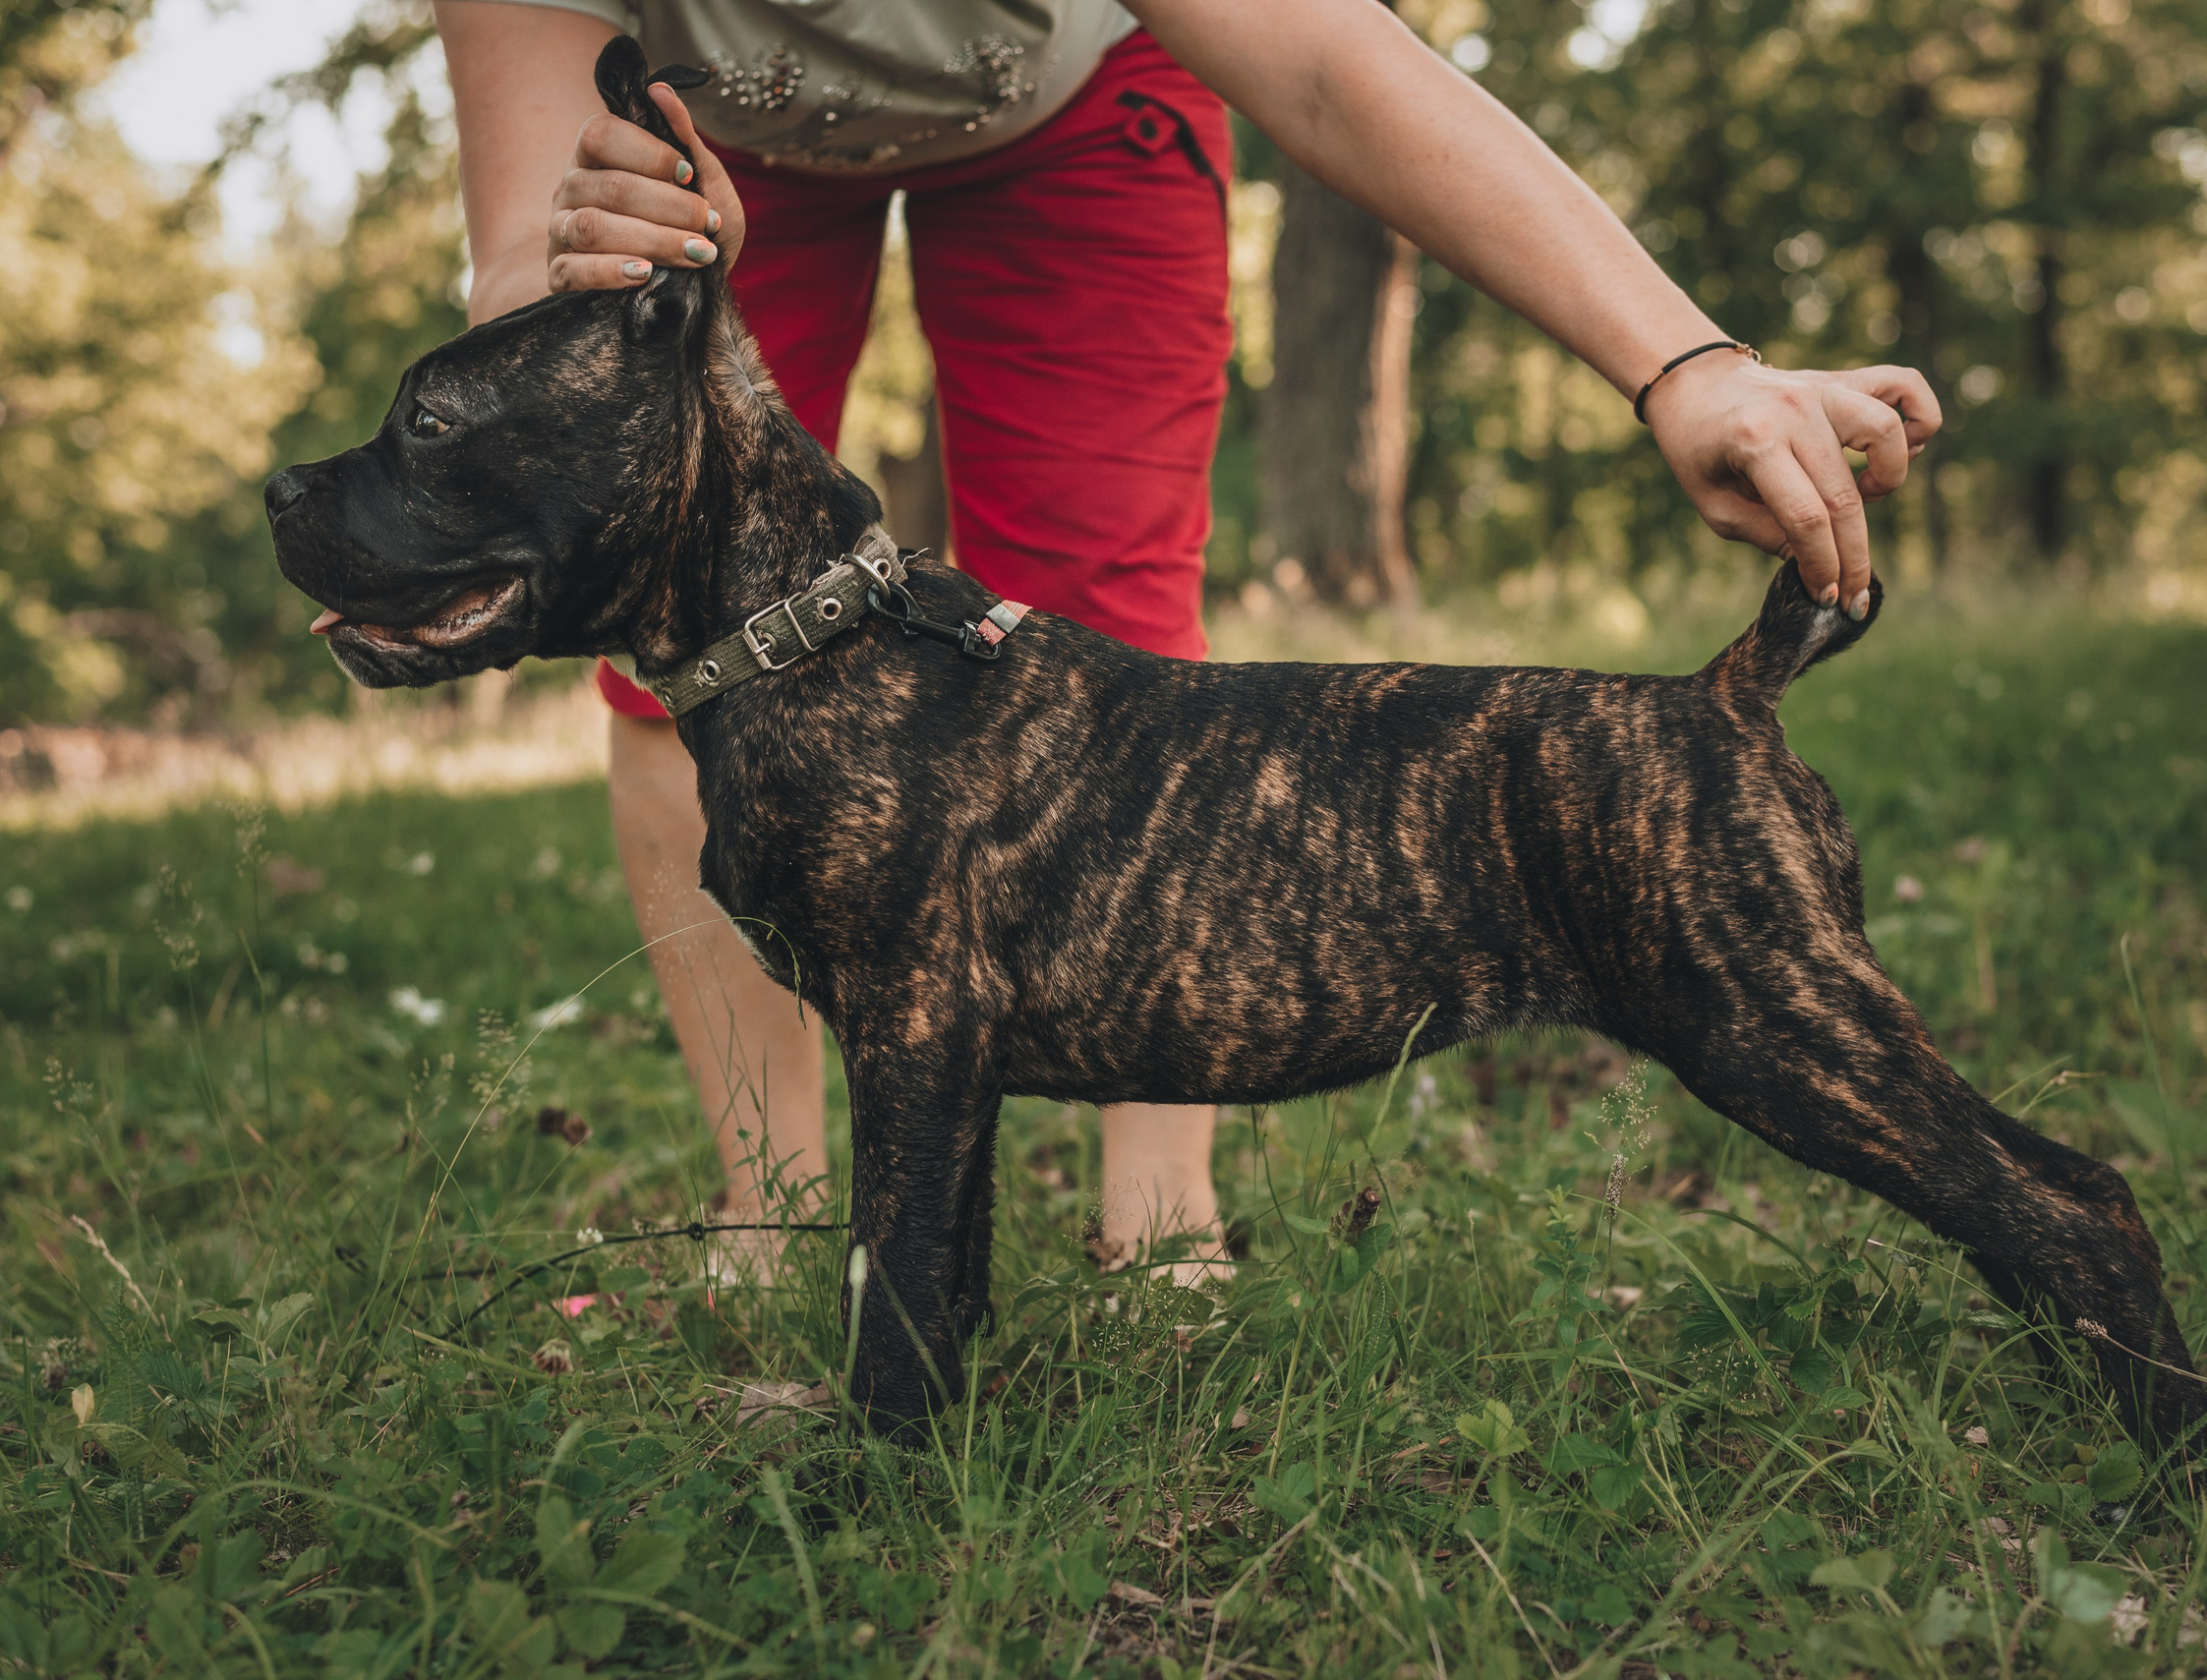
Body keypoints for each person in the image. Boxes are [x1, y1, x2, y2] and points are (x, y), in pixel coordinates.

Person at [434, 0, 1941, 1284]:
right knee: (681, 629)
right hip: (714, 145)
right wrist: (580, 266)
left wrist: (1680, 361)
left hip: (1083, 94)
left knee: (1110, 599)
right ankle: (767, 1214)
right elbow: (519, 261)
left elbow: (1331, 61)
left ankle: (1159, 1223)